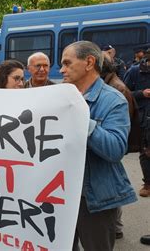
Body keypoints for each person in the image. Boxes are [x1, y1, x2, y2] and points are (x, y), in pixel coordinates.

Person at [59, 41, 137, 251]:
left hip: (94, 199)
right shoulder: (60, 96)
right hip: (60, 195)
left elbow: (115, 149)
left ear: (89, 62)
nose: (61, 70)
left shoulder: (113, 100)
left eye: (67, 63)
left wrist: (82, 118)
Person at [101, 52, 140, 240]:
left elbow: (124, 126)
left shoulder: (117, 90)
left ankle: (115, 227)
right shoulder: (111, 85)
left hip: (115, 147)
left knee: (110, 188)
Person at [124, 47, 150, 197]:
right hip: (144, 117)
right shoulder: (135, 71)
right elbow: (124, 93)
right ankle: (147, 184)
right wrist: (142, 94)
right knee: (145, 151)